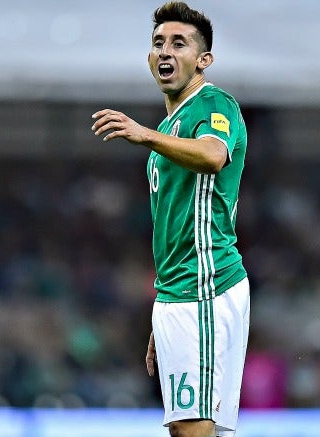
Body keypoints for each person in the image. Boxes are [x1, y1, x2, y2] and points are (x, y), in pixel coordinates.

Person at [91, 2, 250, 436]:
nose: (166, 51)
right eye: (158, 43)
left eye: (179, 43)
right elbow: (172, 227)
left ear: (203, 60)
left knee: (191, 430)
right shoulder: (173, 124)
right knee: (197, 430)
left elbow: (215, 155)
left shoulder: (213, 103)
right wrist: (164, 310)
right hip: (181, 294)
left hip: (206, 285)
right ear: (148, 59)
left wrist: (143, 134)